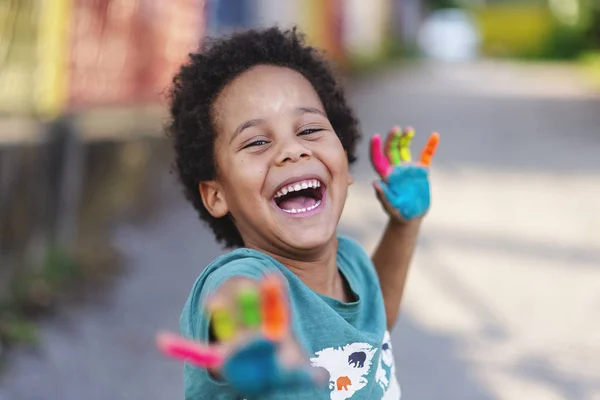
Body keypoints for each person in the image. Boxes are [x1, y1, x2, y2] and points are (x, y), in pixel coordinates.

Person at [163, 26, 439, 400]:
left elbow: (379, 318)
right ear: (215, 195)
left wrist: (404, 225)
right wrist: (254, 341)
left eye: (309, 129)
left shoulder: (352, 261)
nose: (292, 151)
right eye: (257, 141)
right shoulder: (246, 274)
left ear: (342, 155)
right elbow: (234, 297)